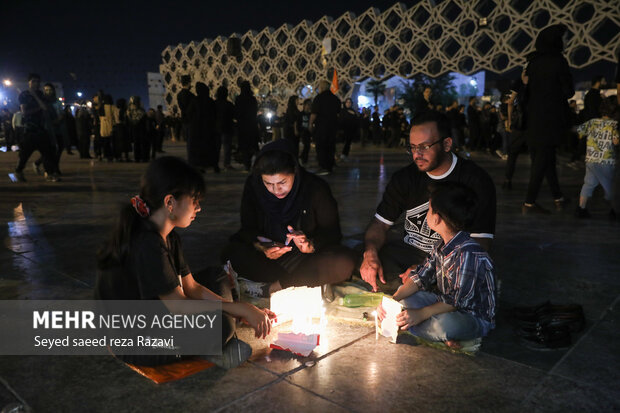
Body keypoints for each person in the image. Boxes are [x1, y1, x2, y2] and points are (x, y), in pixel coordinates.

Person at [95, 156, 275, 368]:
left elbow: (192, 287)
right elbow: (178, 305)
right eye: (194, 200)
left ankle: (229, 316)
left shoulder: (168, 234)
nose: (198, 208)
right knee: (222, 327)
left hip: (156, 310)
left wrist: (241, 309)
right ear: (170, 202)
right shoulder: (146, 243)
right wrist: (240, 310)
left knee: (215, 275)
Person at [360, 111, 496, 293]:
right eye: (413, 147)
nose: (417, 154)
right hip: (408, 252)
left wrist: (428, 269)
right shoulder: (405, 178)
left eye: (424, 147)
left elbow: (480, 243)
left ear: (447, 144)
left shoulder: (476, 181)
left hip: (452, 259)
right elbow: (380, 223)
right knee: (358, 263)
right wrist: (370, 253)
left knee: (462, 281)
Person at [221, 139, 355, 298]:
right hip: (268, 261)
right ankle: (292, 283)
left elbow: (332, 233)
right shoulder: (253, 186)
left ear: (295, 172)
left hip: (305, 260)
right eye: (268, 183)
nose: (276, 190)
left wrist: (309, 245)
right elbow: (248, 228)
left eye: (282, 182)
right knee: (231, 252)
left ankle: (273, 288)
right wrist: (262, 247)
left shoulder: (315, 188)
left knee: (343, 262)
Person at [378, 181, 496, 348]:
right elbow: (420, 277)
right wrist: (392, 300)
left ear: (437, 218)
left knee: (445, 325)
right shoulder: (442, 245)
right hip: (444, 302)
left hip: (471, 315)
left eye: (429, 209)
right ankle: (426, 327)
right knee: (407, 299)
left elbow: (456, 302)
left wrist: (420, 314)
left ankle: (427, 328)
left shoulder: (469, 254)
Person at [522, 24, 574, 214]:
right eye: (564, 38)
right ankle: (529, 203)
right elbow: (569, 91)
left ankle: (558, 197)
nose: (565, 41)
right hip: (550, 120)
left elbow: (526, 92)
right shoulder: (558, 61)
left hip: (533, 120)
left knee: (545, 160)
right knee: (541, 162)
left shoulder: (533, 63)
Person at [574, 97, 619, 218]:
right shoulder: (615, 125)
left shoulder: (592, 122)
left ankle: (581, 208)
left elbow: (579, 132)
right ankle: (614, 210)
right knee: (609, 185)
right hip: (607, 161)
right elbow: (616, 142)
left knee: (588, 184)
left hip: (591, 159)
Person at [11, 73, 56, 183]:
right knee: (25, 154)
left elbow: (45, 107)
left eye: (37, 81)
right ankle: (18, 171)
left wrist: (36, 97)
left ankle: (49, 174)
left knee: (48, 152)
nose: (36, 84)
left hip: (41, 128)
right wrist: (38, 108)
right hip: (30, 129)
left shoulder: (40, 94)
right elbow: (25, 112)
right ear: (29, 82)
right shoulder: (24, 95)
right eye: (33, 81)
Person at [310, 79, 341, 175]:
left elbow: (314, 113)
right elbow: (338, 114)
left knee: (321, 147)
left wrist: (310, 124)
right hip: (332, 127)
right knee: (331, 147)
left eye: (319, 87)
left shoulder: (318, 98)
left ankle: (323, 167)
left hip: (321, 127)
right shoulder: (335, 99)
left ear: (322, 88)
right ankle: (330, 165)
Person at [235, 81, 260, 172]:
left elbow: (237, 112)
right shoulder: (252, 99)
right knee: (253, 145)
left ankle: (247, 165)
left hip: (242, 126)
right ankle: (258, 164)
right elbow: (254, 112)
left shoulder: (239, 99)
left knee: (245, 147)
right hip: (252, 125)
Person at [215, 86, 235, 171]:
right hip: (227, 128)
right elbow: (234, 115)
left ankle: (215, 164)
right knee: (227, 148)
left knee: (216, 148)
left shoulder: (213, 104)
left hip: (216, 129)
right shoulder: (229, 104)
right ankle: (227, 164)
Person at [298, 99, 312, 166]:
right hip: (303, 131)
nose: (309, 106)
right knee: (307, 145)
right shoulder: (300, 114)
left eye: (310, 105)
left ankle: (303, 158)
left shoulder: (310, 115)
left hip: (308, 132)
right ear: (304, 105)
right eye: (308, 104)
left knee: (307, 146)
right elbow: (298, 123)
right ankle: (303, 158)